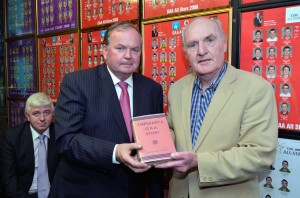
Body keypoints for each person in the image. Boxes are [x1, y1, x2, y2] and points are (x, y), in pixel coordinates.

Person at [155, 17, 277, 198]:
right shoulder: (177, 89)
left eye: (209, 40)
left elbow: (259, 154)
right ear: (185, 53)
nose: (201, 51)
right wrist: (154, 146)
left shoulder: (256, 88)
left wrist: (199, 162)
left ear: (224, 44)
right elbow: (173, 130)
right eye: (192, 45)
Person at [49, 22, 164, 198]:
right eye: (120, 48)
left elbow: (154, 152)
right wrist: (115, 152)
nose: (128, 56)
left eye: (135, 50)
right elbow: (67, 140)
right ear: (104, 50)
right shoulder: (77, 83)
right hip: (85, 191)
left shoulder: (152, 90)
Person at [0, 92, 60, 198]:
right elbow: (8, 181)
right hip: (25, 194)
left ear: (53, 114)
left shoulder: (61, 134)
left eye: (47, 112)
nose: (42, 118)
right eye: (36, 113)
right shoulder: (12, 137)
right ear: (27, 116)